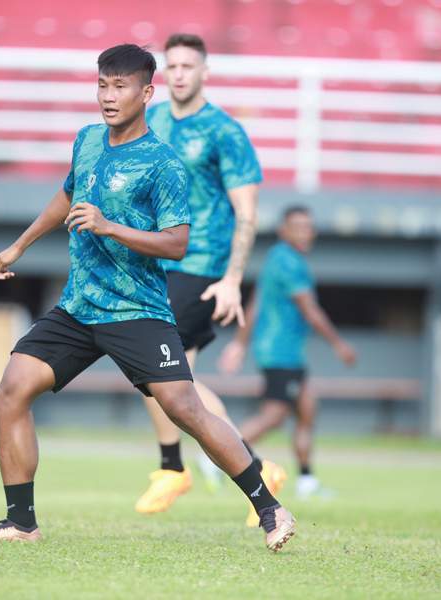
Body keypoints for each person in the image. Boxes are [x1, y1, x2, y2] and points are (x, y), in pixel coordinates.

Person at [0, 44, 295, 552]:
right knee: (12, 390)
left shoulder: (164, 164)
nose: (108, 96)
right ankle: (20, 522)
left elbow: (177, 242)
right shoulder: (87, 140)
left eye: (120, 87)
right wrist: (19, 246)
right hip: (79, 308)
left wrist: (109, 226)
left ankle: (270, 508)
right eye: (102, 85)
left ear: (146, 93)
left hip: (136, 310)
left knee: (185, 410)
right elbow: (67, 195)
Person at [134, 33, 286, 525]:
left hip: (203, 266)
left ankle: (172, 467)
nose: (179, 74)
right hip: (157, 261)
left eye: (188, 66)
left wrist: (233, 278)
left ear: (204, 71)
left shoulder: (225, 131)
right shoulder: (151, 119)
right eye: (172, 65)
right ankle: (260, 472)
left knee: (154, 365)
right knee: (178, 381)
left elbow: (248, 212)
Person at [219, 206, 357, 499]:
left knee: (307, 409)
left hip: (284, 352)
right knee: (274, 415)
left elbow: (255, 305)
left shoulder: (275, 258)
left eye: (309, 227)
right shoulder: (290, 263)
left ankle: (306, 480)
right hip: (280, 352)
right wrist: (338, 344)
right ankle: (217, 455)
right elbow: (310, 310)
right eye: (298, 226)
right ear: (283, 230)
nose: (305, 232)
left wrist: (240, 344)